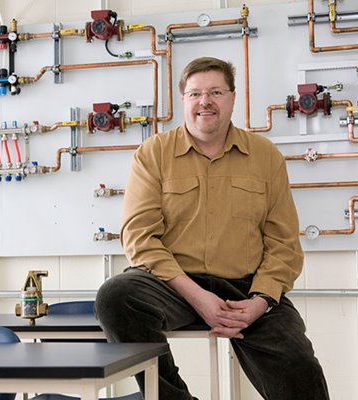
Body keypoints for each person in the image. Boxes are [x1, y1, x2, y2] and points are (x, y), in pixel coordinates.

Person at [95, 57, 329, 400]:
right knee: (116, 296)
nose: (205, 101)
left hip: (248, 290)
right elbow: (140, 237)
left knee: (301, 370)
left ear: (233, 98)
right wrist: (198, 297)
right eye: (195, 94)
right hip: (172, 285)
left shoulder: (265, 157)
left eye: (215, 92)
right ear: (184, 101)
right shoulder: (153, 154)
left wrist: (261, 301)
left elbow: (283, 243)